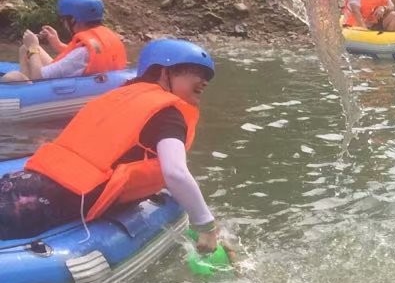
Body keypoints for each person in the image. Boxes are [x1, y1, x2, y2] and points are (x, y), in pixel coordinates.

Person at [0, 40, 231, 256]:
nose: (204, 81)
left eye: (206, 76)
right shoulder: (170, 115)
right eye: (195, 72)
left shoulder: (118, 96)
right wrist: (207, 226)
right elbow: (175, 173)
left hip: (29, 179)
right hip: (56, 199)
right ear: (164, 72)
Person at [1, 0, 126, 83]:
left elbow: (38, 77)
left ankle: (24, 88)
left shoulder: (81, 54)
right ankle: (24, 83)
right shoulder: (104, 37)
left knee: (12, 77)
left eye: (64, 19)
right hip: (99, 79)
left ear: (73, 19)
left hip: (42, 86)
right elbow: (83, 57)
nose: (64, 23)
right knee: (25, 48)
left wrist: (33, 46)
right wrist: (58, 44)